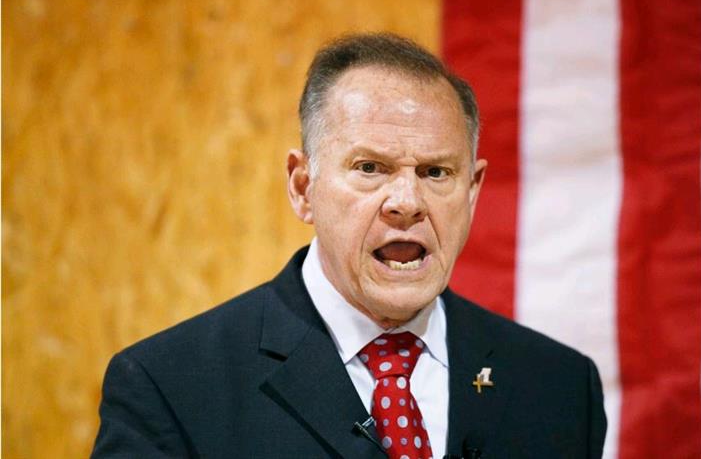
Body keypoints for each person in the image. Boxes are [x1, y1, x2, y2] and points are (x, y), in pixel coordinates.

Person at [92, 33, 606, 459]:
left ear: (471, 191)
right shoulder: (170, 389)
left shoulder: (559, 388)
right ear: (303, 187)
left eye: (435, 172)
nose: (407, 202)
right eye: (370, 168)